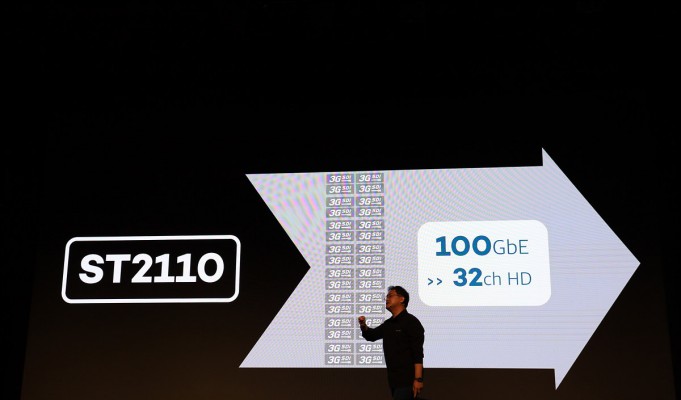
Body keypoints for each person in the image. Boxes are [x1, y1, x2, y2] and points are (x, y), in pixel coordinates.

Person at [358, 285, 425, 400]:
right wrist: (363, 325)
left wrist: (418, 379)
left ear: (401, 299)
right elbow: (371, 336)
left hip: (407, 379)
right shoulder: (388, 324)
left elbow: (418, 353)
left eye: (390, 296)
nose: (387, 299)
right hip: (393, 380)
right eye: (386, 297)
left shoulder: (411, 322)